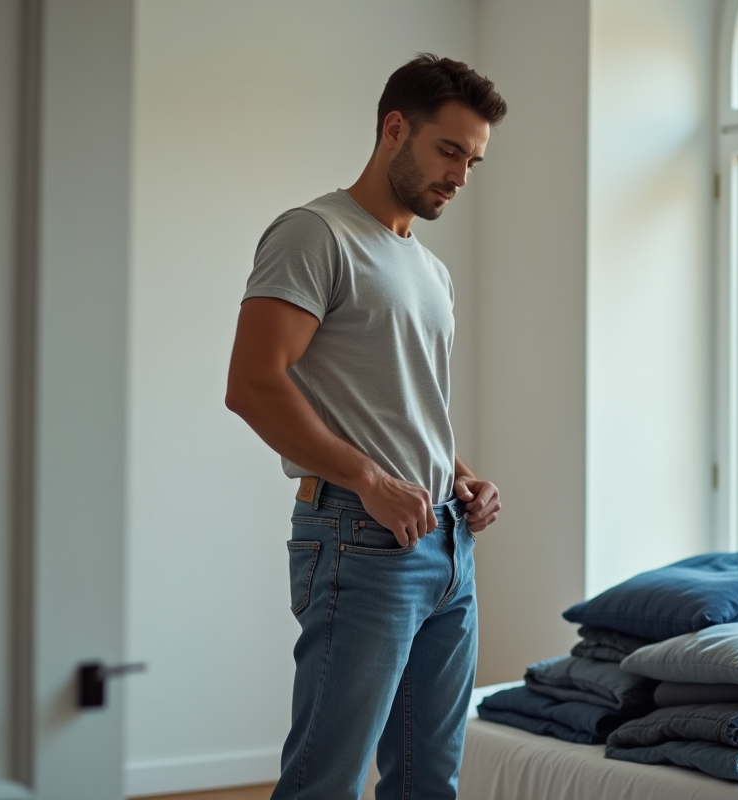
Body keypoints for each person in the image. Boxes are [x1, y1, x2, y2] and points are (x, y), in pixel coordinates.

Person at [225, 53, 507, 800]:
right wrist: (370, 480)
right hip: (358, 539)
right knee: (328, 781)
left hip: (447, 545)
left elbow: (404, 410)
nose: (461, 176)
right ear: (393, 129)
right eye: (449, 151)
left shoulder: (431, 271)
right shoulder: (315, 234)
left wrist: (462, 476)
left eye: (473, 160)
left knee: (428, 781)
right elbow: (253, 385)